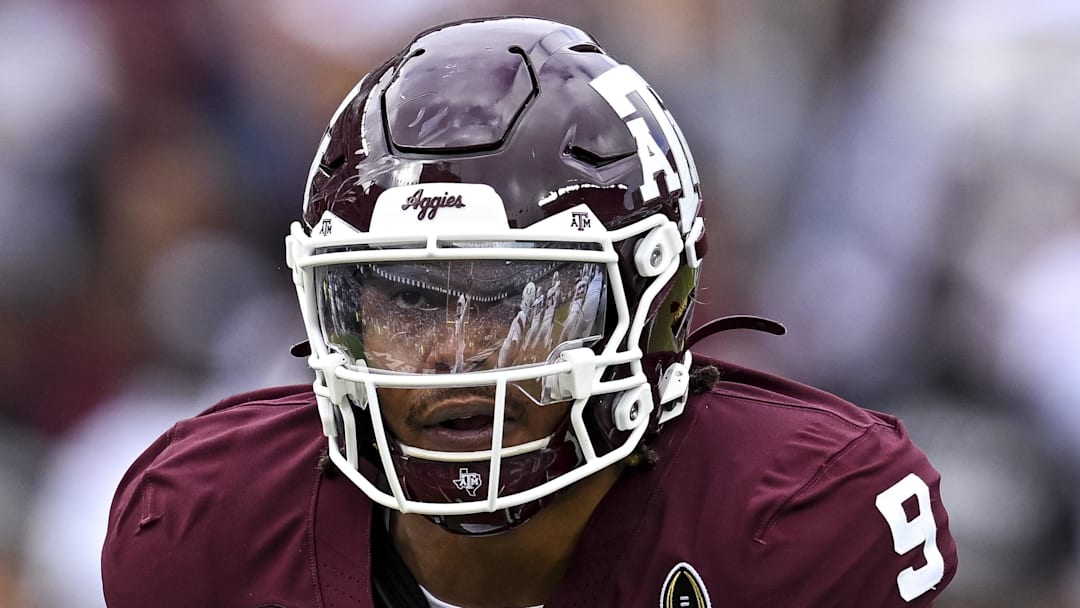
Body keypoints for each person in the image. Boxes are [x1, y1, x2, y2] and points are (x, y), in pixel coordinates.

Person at [101, 16, 957, 608]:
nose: (457, 353)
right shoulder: (207, 524)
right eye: (405, 297)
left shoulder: (798, 519)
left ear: (657, 300)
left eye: (516, 296)